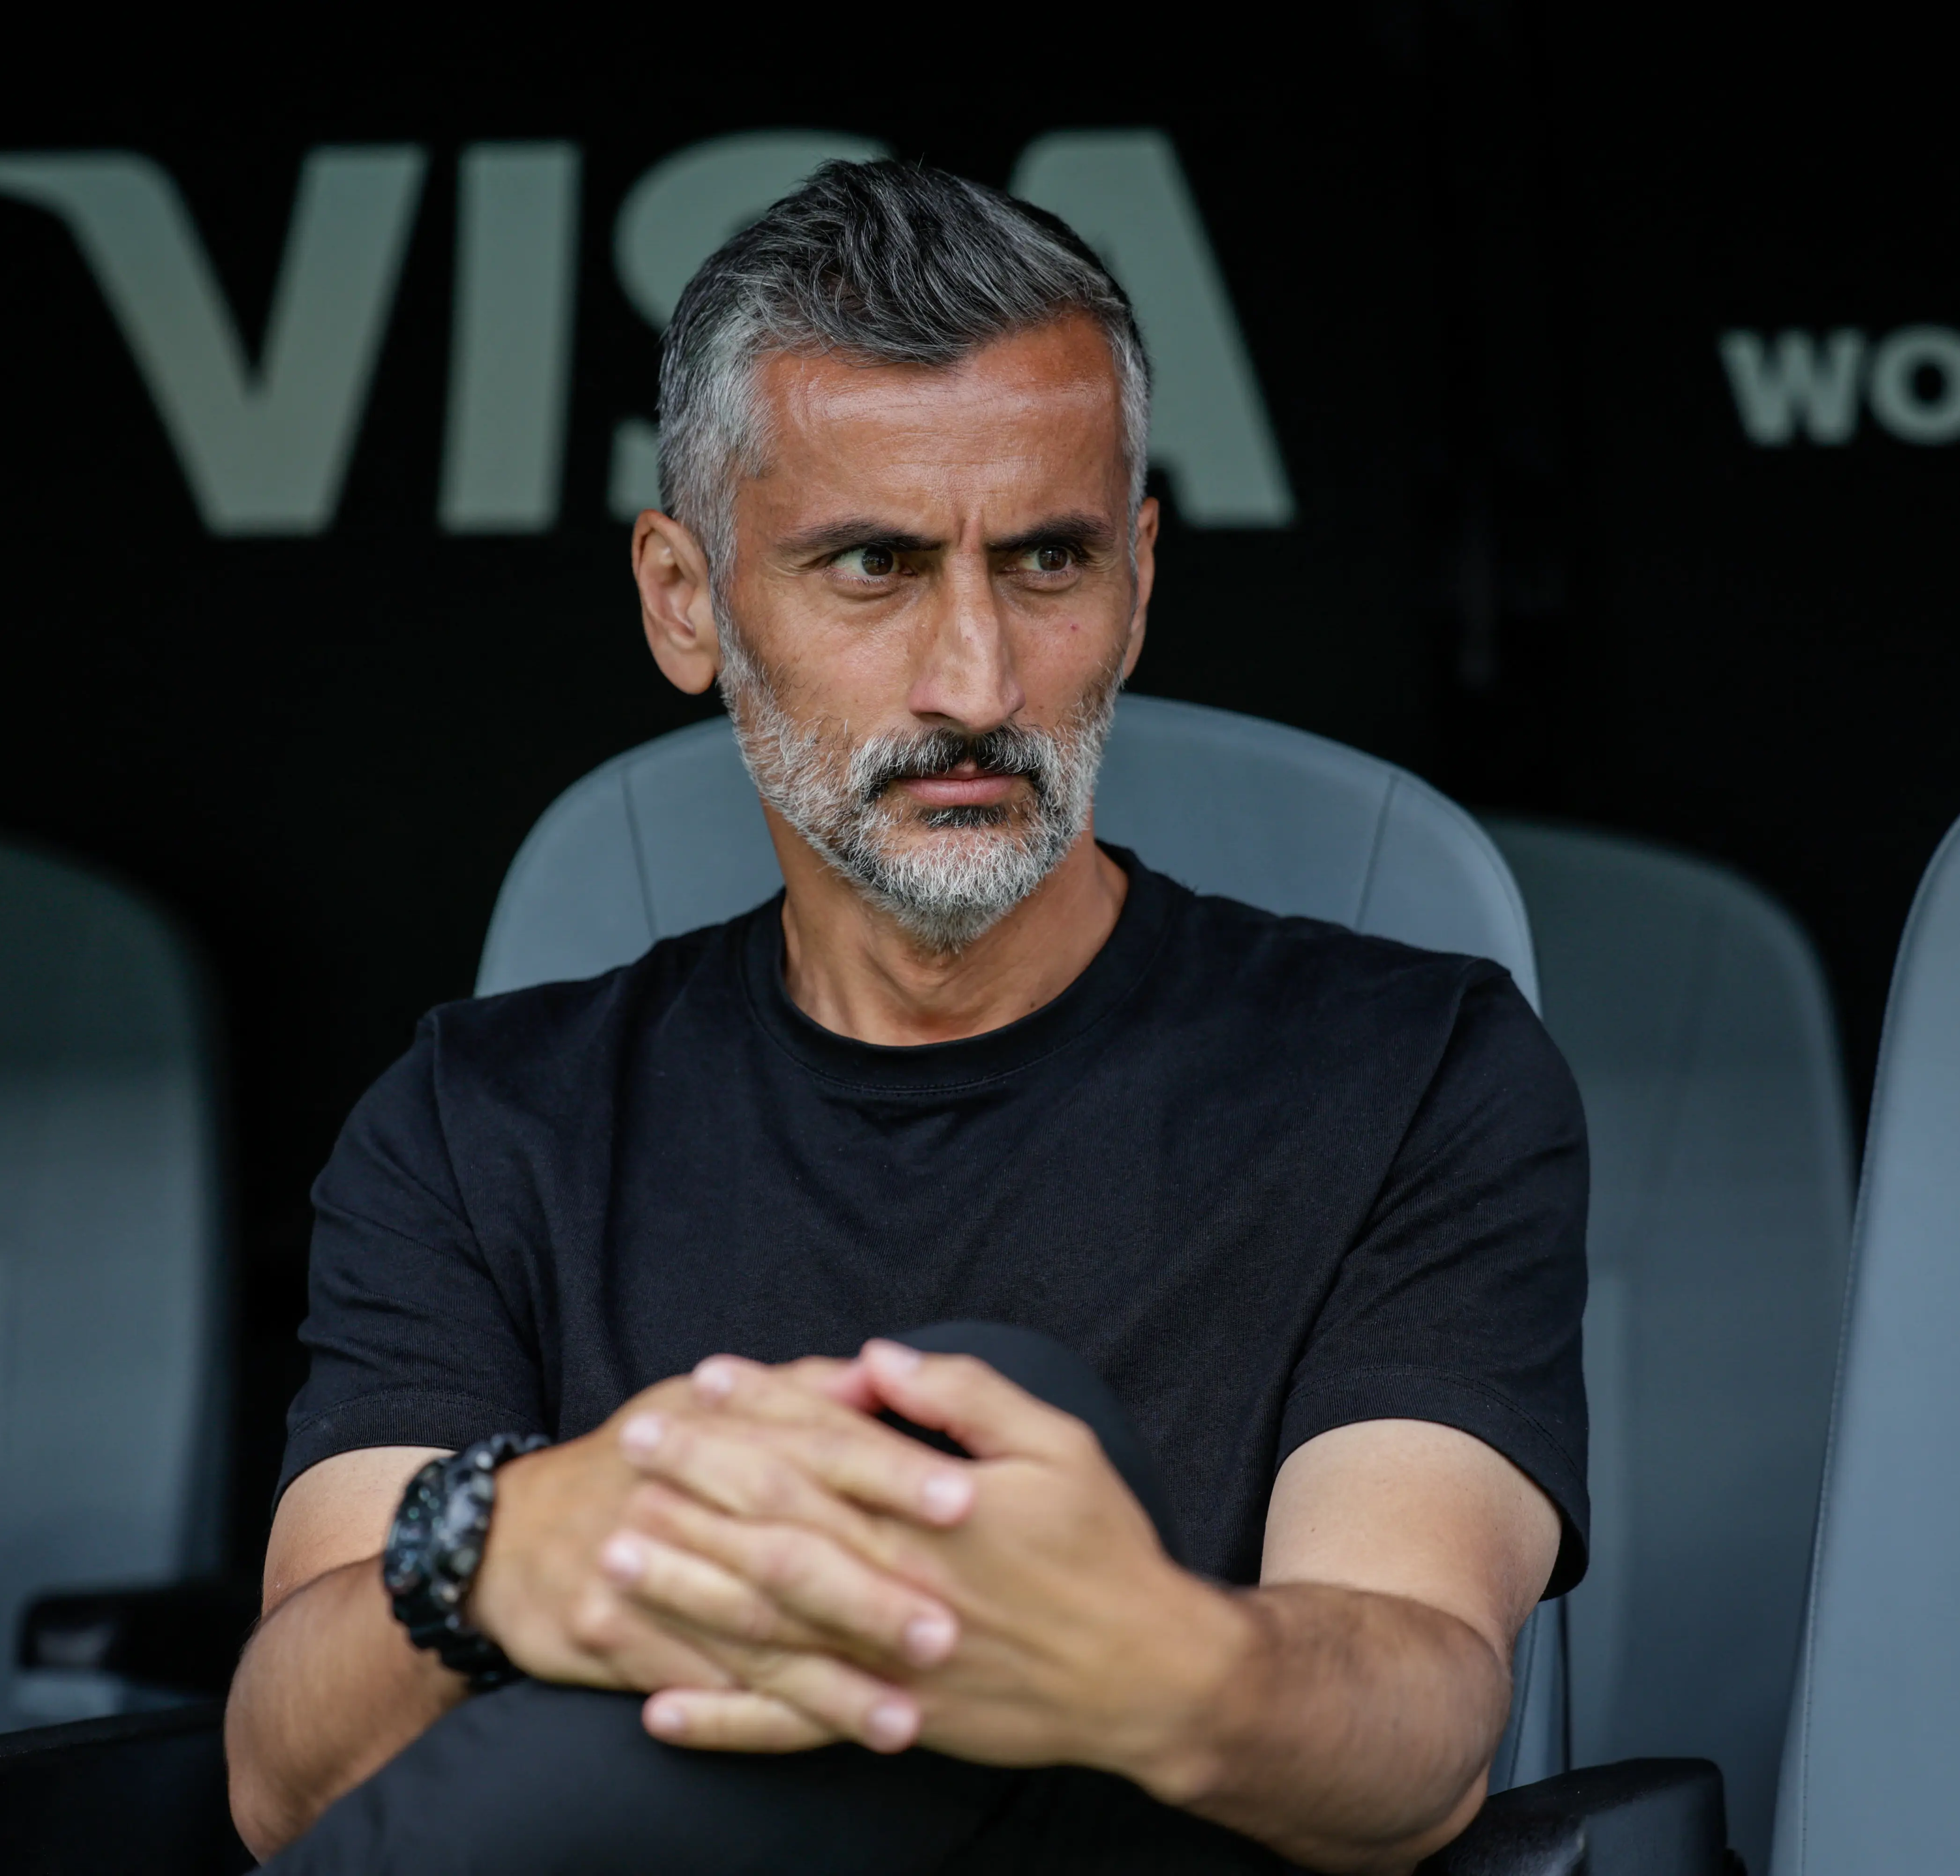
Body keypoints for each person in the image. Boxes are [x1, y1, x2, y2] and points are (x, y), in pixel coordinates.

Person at [223, 159, 1588, 1876]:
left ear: (1140, 580)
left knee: (1002, 1408)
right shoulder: (477, 1120)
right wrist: (500, 1552)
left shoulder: (1410, 1072)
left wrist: (1136, 1658)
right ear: (687, 600)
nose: (976, 681)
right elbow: (282, 1781)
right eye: (873, 564)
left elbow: (1423, 1736)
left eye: (1048, 561)